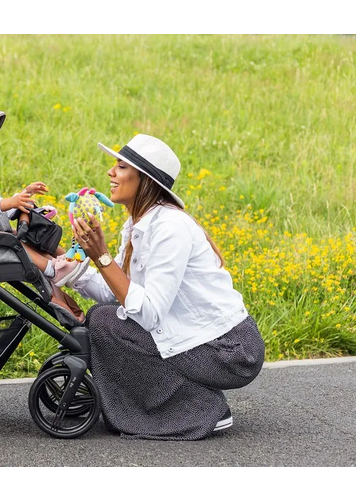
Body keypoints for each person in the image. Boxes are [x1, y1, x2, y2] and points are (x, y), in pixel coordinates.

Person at [67, 133, 266, 441]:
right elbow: (113, 292)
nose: (110, 172)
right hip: (200, 339)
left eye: (120, 167)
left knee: (106, 321)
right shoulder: (138, 225)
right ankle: (187, 399)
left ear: (143, 179)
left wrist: (101, 256)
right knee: (104, 315)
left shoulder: (170, 228)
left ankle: (200, 409)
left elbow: (148, 314)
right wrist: (65, 270)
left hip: (231, 351)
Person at [0, 142, 90, 288]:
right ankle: (52, 271)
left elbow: (3, 211)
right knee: (13, 241)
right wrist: (11, 202)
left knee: (20, 237)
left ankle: (62, 262)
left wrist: (25, 194)